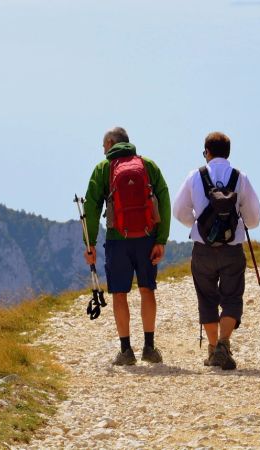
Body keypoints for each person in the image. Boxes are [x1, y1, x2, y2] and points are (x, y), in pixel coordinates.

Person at [173, 132, 260, 370]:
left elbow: (179, 210)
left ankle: (214, 350)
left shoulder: (195, 176)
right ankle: (223, 344)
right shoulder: (239, 177)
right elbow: (254, 216)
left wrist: (196, 224)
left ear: (207, 152)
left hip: (203, 248)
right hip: (232, 247)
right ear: (228, 152)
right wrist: (242, 224)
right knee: (232, 296)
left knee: (207, 297)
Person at [83, 127, 172, 366]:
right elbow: (163, 200)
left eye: (104, 147)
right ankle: (150, 348)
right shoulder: (148, 165)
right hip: (146, 237)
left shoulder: (103, 169)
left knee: (119, 293)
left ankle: (126, 351)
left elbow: (91, 208)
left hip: (117, 240)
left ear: (111, 142)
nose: (103, 151)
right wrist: (160, 239)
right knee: (146, 289)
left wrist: (89, 243)